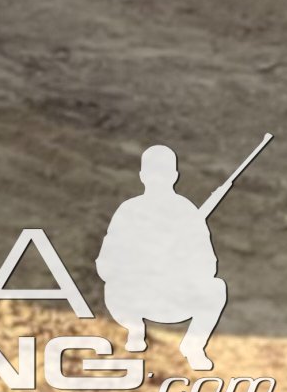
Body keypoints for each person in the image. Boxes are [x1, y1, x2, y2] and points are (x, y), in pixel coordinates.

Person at [97, 142, 233, 371]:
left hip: (174, 298)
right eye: (154, 174)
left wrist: (178, 262)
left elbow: (208, 265)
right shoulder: (129, 211)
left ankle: (193, 345)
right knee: (113, 287)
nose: (158, 179)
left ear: (174, 176)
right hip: (133, 299)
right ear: (143, 176)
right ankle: (135, 329)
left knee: (216, 288)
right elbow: (105, 264)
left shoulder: (187, 213)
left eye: (163, 173)